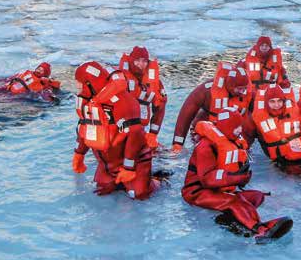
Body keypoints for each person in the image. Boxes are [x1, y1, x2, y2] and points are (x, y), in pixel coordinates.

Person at [182, 108, 293, 243]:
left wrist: (241, 177)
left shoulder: (233, 141)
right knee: (235, 201)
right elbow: (207, 180)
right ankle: (259, 230)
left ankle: (228, 219)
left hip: (221, 190)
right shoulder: (205, 146)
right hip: (197, 192)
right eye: (236, 127)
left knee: (257, 196)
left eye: (240, 126)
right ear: (226, 127)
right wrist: (237, 178)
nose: (240, 130)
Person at [72, 61, 158, 200]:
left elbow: (135, 133)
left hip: (135, 162)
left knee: (139, 195)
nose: (78, 88)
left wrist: (129, 167)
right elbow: (84, 127)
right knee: (99, 191)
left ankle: (160, 181)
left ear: (89, 83)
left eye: (79, 83)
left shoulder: (123, 101)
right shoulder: (88, 103)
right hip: (107, 165)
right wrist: (79, 153)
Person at [172, 61, 255, 152]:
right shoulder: (205, 91)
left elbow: (260, 115)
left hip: (235, 132)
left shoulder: (248, 93)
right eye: (239, 89)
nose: (242, 92)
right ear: (231, 86)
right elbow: (185, 116)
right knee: (205, 149)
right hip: (207, 130)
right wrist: (178, 143)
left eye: (244, 89)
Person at [96, 46, 167, 150]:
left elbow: (160, 107)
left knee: (159, 151)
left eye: (144, 61)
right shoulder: (118, 77)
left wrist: (153, 134)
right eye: (137, 60)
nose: (141, 65)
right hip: (118, 129)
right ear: (130, 61)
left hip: (139, 130)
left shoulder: (155, 83)